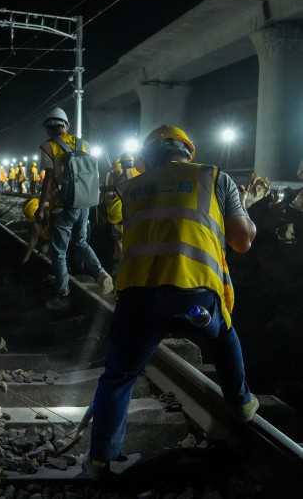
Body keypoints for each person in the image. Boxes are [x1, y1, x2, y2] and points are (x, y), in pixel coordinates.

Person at [84, 125, 259, 480]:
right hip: (195, 292)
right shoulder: (214, 177)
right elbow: (243, 241)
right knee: (222, 333)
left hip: (138, 297)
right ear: (187, 151)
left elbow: (117, 218)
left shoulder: (130, 187)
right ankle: (240, 404)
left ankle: (101, 458)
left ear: (148, 158)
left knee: (118, 376)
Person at [35, 107, 113, 310]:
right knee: (80, 242)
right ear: (66, 126)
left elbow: (48, 180)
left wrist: (41, 206)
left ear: (47, 128)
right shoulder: (84, 144)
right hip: (84, 203)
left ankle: (62, 296)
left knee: (59, 253)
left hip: (62, 207)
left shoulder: (48, 147)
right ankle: (100, 273)